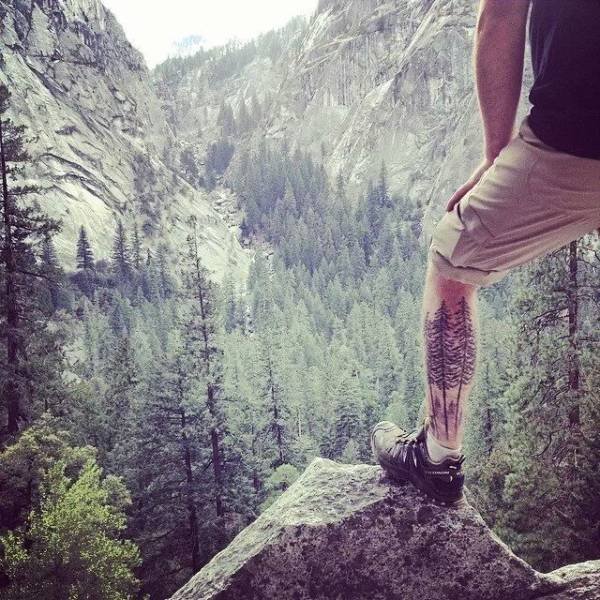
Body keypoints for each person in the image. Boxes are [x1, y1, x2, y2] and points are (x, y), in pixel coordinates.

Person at [371, 0, 600, 506]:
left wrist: (496, 152)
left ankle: (438, 456)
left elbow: (500, 15)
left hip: (576, 141)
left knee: (451, 261)